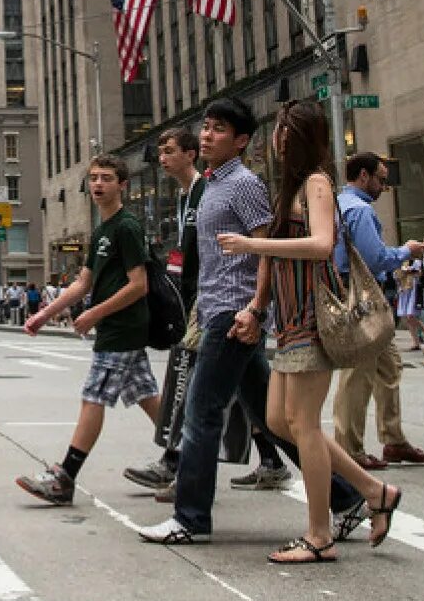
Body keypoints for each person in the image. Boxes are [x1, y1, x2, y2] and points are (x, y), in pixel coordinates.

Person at [138, 97, 377, 550]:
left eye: (219, 129)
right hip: (219, 309)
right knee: (274, 422)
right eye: (205, 127)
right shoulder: (211, 183)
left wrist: (254, 307)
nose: (207, 135)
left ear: (242, 141)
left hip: (234, 312)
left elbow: (266, 246)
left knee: (202, 413)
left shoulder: (244, 184)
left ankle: (190, 517)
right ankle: (348, 499)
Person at [213, 101, 399, 563]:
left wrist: (253, 242)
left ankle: (319, 536)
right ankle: (374, 491)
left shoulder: (316, 182)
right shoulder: (289, 188)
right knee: (279, 421)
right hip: (289, 323)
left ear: (297, 136)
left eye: (282, 130)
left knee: (305, 425)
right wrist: (257, 308)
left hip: (314, 322)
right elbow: (275, 262)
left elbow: (321, 245)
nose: (275, 139)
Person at [14, 154, 175, 505]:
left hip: (123, 328)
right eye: (94, 178)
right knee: (148, 397)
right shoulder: (102, 230)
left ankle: (64, 477)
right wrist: (44, 315)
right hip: (116, 328)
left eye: (106, 178)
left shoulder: (127, 227)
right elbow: (83, 282)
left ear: (122, 185)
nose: (98, 184)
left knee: (93, 397)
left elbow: (138, 285)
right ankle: (184, 459)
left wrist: (93, 315)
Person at [141, 125, 288, 495]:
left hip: (227, 305)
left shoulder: (223, 186)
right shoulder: (194, 193)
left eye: (170, 150)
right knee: (259, 401)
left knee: (199, 400)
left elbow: (264, 246)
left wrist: (257, 306)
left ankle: (180, 480)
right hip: (210, 303)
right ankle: (346, 490)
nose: (163, 158)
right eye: (160, 152)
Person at [329, 153, 424, 472]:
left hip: (360, 296)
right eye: (381, 179)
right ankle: (349, 449)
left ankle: (394, 440)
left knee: (389, 366)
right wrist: (407, 251)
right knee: (358, 371)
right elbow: (375, 259)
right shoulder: (359, 210)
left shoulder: (340, 203)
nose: (383, 186)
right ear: (364, 176)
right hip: (361, 297)